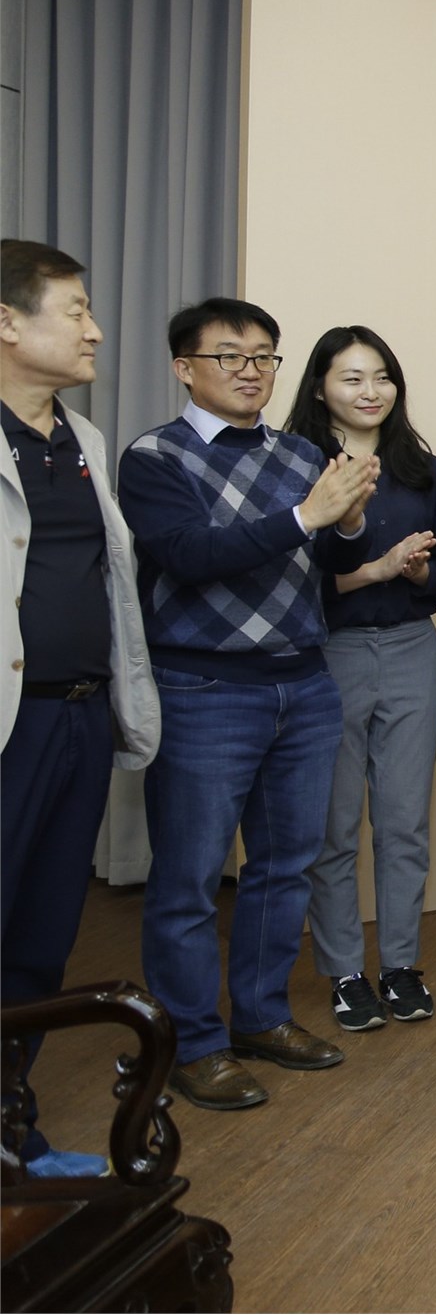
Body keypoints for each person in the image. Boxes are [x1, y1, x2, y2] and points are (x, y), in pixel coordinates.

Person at [120, 297, 377, 1110]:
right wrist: (311, 514)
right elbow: (192, 557)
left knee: (283, 866)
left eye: (264, 357)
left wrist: (350, 518)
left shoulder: (304, 450)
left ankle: (260, 1016)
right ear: (184, 366)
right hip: (201, 687)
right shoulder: (153, 457)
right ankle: (192, 1041)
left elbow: (334, 548)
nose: (250, 371)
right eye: (229, 356)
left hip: (303, 680)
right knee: (192, 875)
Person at [1, 240, 159, 1173]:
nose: (96, 328)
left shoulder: (85, 439)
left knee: (42, 936)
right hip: (8, 727)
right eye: (76, 310)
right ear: (9, 324)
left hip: (78, 717)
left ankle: (11, 1124)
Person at [283, 325, 436, 1033]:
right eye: (352, 377)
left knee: (405, 821)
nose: (370, 390)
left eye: (381, 375)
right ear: (320, 386)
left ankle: (401, 965)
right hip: (331, 651)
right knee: (335, 825)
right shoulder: (295, 464)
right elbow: (292, 583)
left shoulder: (418, 465)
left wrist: (414, 571)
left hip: (413, 645)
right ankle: (346, 971)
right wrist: (372, 570)